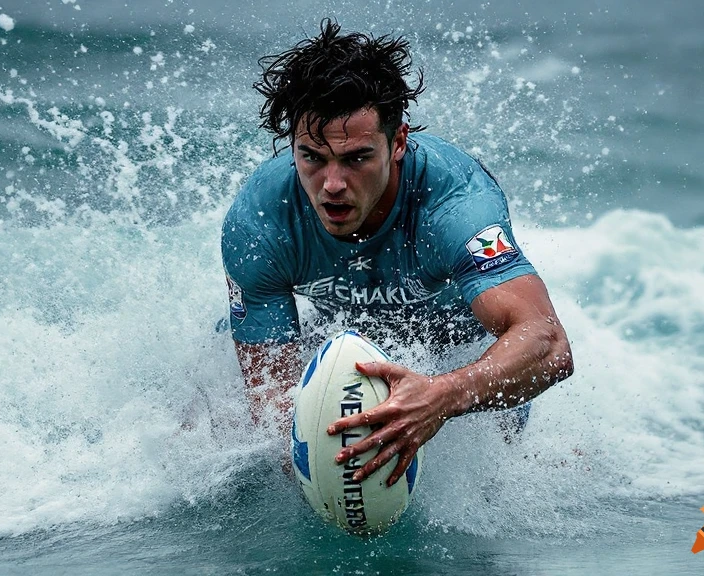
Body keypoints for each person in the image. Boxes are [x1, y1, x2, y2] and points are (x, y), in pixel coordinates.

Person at [221, 20, 574, 488]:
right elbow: (271, 400)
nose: (331, 185)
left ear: (399, 143)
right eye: (312, 157)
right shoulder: (260, 224)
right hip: (338, 342)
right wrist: (319, 463)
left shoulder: (454, 206)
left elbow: (548, 344)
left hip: (459, 358)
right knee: (217, 420)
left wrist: (443, 396)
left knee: (498, 483)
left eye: (356, 158)